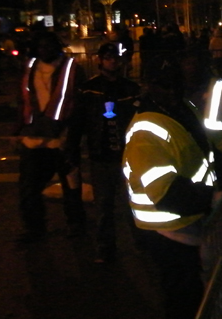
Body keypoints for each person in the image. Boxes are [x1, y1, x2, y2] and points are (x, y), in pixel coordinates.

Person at [122, 56, 222, 319]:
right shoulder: (146, 131)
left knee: (194, 290)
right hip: (168, 229)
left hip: (188, 220)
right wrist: (214, 197)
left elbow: (202, 149)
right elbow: (167, 194)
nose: (173, 91)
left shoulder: (182, 108)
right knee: (182, 295)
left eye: (177, 84)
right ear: (148, 85)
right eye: (165, 85)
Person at [73, 43, 142, 263]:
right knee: (104, 205)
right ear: (100, 60)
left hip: (126, 155)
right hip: (101, 154)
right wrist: (72, 148)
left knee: (133, 203)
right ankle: (105, 248)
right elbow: (78, 121)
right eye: (108, 57)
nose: (112, 61)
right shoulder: (88, 89)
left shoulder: (130, 89)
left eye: (115, 58)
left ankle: (142, 245)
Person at [15, 31, 86, 243]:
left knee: (71, 187)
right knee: (28, 188)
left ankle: (75, 224)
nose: (44, 50)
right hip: (33, 140)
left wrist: (73, 136)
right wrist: (17, 131)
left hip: (63, 139)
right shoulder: (30, 68)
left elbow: (80, 105)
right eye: (40, 46)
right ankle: (35, 228)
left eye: (48, 46)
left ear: (57, 46)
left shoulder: (72, 68)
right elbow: (23, 101)